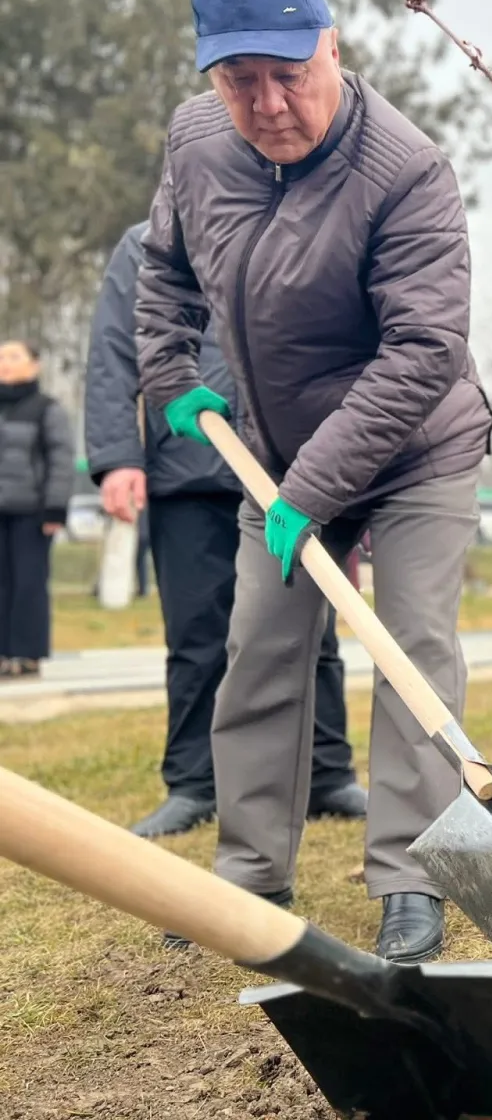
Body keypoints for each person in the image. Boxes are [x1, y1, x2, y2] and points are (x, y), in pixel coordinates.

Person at [135, 0, 492, 963]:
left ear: (332, 46)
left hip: (418, 448)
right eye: (241, 79)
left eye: (289, 72)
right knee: (261, 647)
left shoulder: (406, 170)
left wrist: (313, 488)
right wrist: (168, 377)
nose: (269, 101)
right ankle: (247, 877)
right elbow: (161, 267)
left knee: (410, 642)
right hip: (274, 456)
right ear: (211, 77)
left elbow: (425, 350)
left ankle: (411, 878)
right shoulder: (198, 140)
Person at [85, 220, 367, 838]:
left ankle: (325, 772)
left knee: (312, 630)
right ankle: (193, 782)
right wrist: (118, 458)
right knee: (195, 634)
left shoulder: (296, 223)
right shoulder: (143, 244)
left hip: (288, 472)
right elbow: (112, 349)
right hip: (186, 473)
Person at [0, 340, 74, 678]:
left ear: (34, 365)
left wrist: (55, 508)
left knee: (28, 582)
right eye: (1, 357)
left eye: (14, 356)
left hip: (31, 511)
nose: (5, 363)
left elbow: (60, 460)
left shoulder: (46, 408)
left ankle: (27, 654)